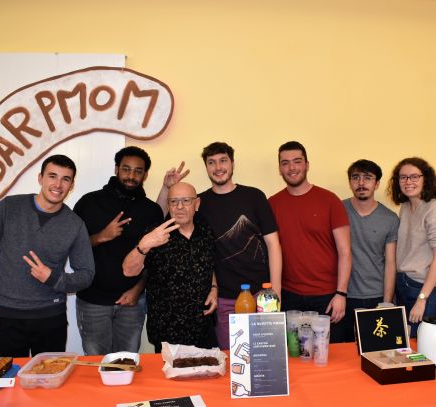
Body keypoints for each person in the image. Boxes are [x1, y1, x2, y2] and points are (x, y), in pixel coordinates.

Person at [157, 142, 282, 350]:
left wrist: (275, 291)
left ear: (232, 163)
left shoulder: (254, 197)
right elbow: (159, 219)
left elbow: (273, 244)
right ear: (206, 167)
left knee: (265, 355)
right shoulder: (199, 203)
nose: (218, 167)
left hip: (261, 295)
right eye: (211, 162)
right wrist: (167, 188)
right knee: (233, 357)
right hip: (224, 299)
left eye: (223, 160)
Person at [0, 155, 95, 357]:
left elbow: (86, 274)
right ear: (40, 178)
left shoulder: (75, 224)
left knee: (49, 376)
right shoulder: (9, 207)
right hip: (8, 316)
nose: (58, 184)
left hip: (51, 318)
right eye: (52, 176)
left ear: (72, 185)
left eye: (65, 179)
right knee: (7, 376)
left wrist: (53, 278)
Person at [73, 147, 163, 355]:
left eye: (138, 171)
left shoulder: (151, 210)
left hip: (132, 303)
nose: (131, 176)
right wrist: (101, 236)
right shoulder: (89, 202)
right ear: (116, 169)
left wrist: (138, 289)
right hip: (92, 301)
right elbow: (72, 248)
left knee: (127, 363)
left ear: (145, 175)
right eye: (126, 169)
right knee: (96, 364)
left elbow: (154, 260)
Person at [268, 141, 352, 343]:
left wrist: (341, 293)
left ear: (307, 165)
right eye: (285, 163)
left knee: (329, 355)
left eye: (297, 161)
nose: (292, 167)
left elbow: (345, 251)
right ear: (280, 169)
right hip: (289, 297)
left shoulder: (329, 200)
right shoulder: (272, 204)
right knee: (293, 355)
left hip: (327, 296)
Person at [123, 182, 218, 353]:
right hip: (167, 331)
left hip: (203, 326)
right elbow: (128, 270)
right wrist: (144, 244)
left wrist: (213, 287)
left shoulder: (206, 231)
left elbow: (208, 264)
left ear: (196, 204)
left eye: (186, 201)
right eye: (174, 201)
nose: (179, 207)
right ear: (168, 205)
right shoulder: (156, 233)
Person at [387, 157, 436, 337]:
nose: (408, 182)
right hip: (404, 284)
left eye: (414, 176)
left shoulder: (434, 208)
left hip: (423, 289)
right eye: (403, 177)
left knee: (423, 345)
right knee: (406, 344)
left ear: (426, 179)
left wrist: (422, 299)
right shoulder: (405, 207)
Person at [341, 159, 399, 342]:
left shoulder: (390, 218)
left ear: (377, 183)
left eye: (367, 178)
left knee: (376, 350)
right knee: (342, 350)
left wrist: (387, 302)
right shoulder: (338, 210)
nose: (361, 183)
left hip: (376, 296)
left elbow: (391, 263)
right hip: (343, 295)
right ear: (350, 182)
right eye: (355, 177)